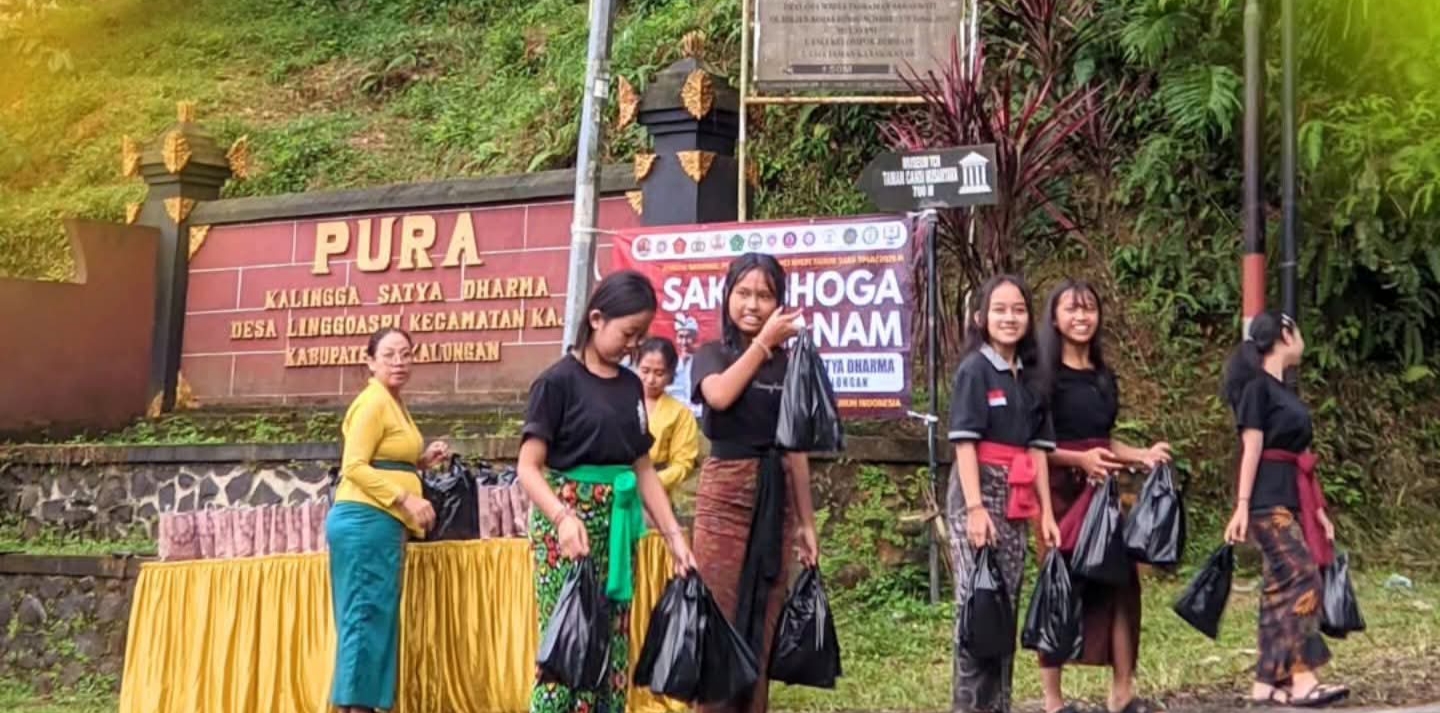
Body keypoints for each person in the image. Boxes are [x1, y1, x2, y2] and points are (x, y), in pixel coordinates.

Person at [518, 270, 698, 713]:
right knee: (569, 640)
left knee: (613, 640)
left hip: (617, 528)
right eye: (627, 333)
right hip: (568, 529)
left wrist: (674, 536)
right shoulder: (556, 382)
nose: (633, 346)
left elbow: (641, 467)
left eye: (640, 336)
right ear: (596, 319)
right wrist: (562, 518)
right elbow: (528, 467)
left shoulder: (630, 386)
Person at [690, 252, 819, 713]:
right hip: (725, 494)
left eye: (765, 295)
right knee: (719, 620)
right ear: (727, 296)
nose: (753, 304)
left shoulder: (791, 365)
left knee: (763, 625)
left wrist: (806, 522)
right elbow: (720, 395)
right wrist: (762, 344)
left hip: (776, 498)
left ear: (779, 303)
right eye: (743, 293)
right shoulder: (711, 353)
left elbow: (796, 447)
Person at [1035, 279, 1172, 713]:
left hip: (1101, 493)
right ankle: (1053, 703)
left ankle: (1123, 693)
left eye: (1089, 308)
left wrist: (1143, 455)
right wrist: (1079, 462)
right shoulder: (1042, 376)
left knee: (1121, 586)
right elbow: (1033, 447)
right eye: (1072, 309)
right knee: (1058, 589)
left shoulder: (1102, 375)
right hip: (1057, 493)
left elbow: (1104, 442)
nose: (1081, 317)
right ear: (1054, 318)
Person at [1221, 311, 1348, 708]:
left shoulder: (1283, 391)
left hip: (1292, 496)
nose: (1303, 340)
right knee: (1302, 577)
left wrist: (1319, 509)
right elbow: (1252, 448)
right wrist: (1241, 506)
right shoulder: (1257, 389)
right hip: (1265, 501)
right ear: (1285, 334)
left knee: (1278, 589)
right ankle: (1302, 677)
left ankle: (1265, 682)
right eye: (1299, 332)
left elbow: (1302, 457)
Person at [947, 274, 1060, 713]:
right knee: (977, 606)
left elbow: (1038, 451)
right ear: (981, 317)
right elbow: (964, 444)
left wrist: (1046, 514)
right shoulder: (975, 369)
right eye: (999, 309)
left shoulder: (1032, 376)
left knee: (1006, 608)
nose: (1009, 318)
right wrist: (976, 509)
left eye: (1018, 309)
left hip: (1017, 497)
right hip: (978, 495)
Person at [327, 327, 451, 713]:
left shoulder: (394, 403)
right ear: (370, 361)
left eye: (406, 354)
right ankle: (356, 707)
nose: (399, 362)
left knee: (375, 618)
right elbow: (354, 466)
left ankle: (362, 705)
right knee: (364, 619)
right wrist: (405, 498)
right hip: (364, 520)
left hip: (381, 524)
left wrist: (420, 462)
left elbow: (386, 457)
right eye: (389, 355)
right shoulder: (372, 403)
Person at [630, 336, 702, 713]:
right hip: (618, 494)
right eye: (645, 371)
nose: (651, 379)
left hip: (657, 501)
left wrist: (654, 483)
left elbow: (684, 461)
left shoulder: (680, 413)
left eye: (660, 373)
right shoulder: (623, 402)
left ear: (672, 374)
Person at [668, 313, 701, 416]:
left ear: (695, 339)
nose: (684, 342)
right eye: (681, 337)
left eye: (688, 337)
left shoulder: (702, 362)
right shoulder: (670, 364)